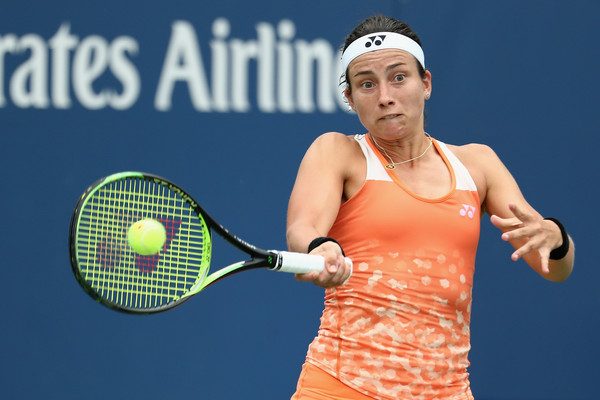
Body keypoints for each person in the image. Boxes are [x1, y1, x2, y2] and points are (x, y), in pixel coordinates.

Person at [286, 15, 575, 400]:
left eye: (399, 77)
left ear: (426, 84)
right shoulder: (338, 152)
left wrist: (554, 237)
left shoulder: (478, 164)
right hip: (341, 387)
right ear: (350, 99)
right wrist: (319, 249)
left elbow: (554, 268)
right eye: (367, 84)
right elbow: (302, 229)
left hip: (448, 391)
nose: (385, 95)